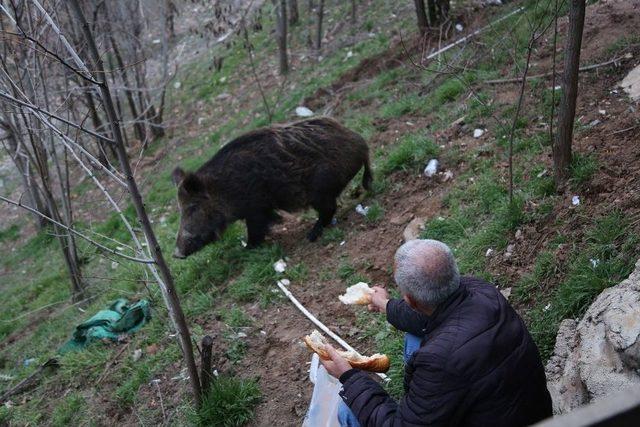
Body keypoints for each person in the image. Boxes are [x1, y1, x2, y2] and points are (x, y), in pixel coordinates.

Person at [320, 239, 553, 426]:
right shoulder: (480, 290)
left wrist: (349, 377)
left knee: (349, 411)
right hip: (530, 413)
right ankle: (424, 406)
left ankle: (422, 406)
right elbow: (425, 313)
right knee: (415, 336)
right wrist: (386, 304)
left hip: (465, 392)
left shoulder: (438, 361)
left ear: (410, 299)